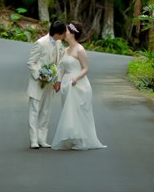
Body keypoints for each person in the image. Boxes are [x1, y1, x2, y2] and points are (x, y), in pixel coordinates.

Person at [50, 20, 106, 150]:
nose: (65, 33)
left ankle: (81, 140)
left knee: (77, 112)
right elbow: (62, 68)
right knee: (68, 112)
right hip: (66, 85)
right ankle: (72, 138)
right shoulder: (65, 49)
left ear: (72, 34)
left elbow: (86, 68)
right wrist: (58, 81)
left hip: (78, 84)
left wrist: (76, 77)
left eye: (67, 31)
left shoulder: (80, 49)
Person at [27, 20, 66, 149]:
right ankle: (33, 140)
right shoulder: (40, 43)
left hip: (50, 83)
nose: (64, 35)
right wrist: (40, 75)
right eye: (63, 33)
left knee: (46, 111)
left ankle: (42, 139)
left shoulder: (59, 43)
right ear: (58, 33)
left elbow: (59, 64)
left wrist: (56, 81)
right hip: (38, 82)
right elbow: (31, 62)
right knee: (34, 110)